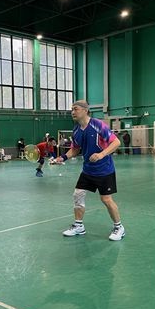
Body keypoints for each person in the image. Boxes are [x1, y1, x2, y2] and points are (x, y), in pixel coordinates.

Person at [55, 99, 125, 240]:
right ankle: (79, 226)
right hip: (88, 170)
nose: (72, 112)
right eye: (72, 109)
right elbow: (75, 149)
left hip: (104, 170)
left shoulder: (98, 125)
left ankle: (119, 228)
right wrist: (63, 157)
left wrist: (101, 154)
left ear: (85, 110)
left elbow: (116, 142)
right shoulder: (76, 130)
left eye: (75, 109)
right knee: (78, 194)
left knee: (106, 199)